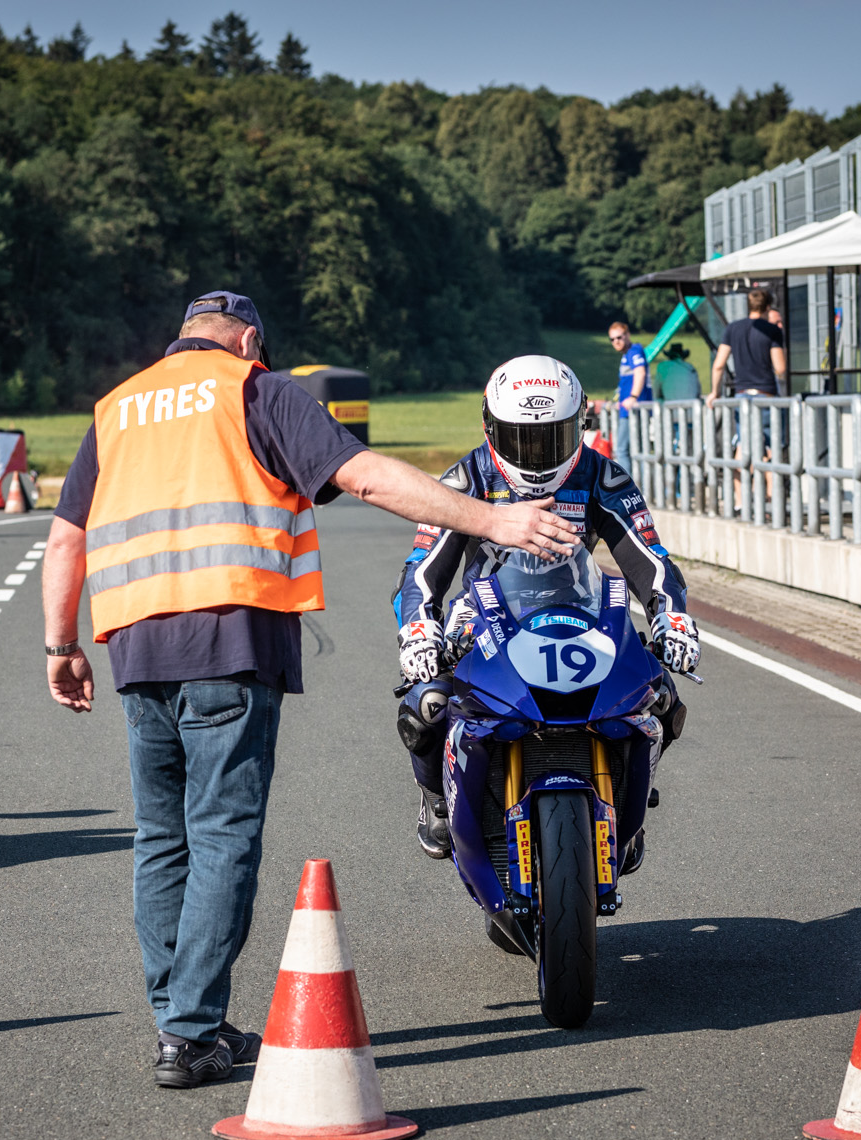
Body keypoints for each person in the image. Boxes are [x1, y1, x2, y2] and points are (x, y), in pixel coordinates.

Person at [39, 290, 578, 1090]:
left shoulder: (117, 408)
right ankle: (189, 1031)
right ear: (248, 340)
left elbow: (65, 539)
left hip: (137, 649)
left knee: (162, 838)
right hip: (230, 639)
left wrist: (61, 646)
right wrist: (494, 521)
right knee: (221, 835)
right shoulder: (255, 389)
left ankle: (179, 1019)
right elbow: (365, 477)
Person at [393, 354, 699, 860]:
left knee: (659, 694)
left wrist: (673, 616)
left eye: (552, 437)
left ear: (580, 424)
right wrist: (420, 628)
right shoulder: (466, 478)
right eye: (521, 439)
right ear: (490, 427)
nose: (536, 454)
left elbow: (649, 557)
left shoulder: (602, 475)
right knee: (427, 702)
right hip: (483, 618)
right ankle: (436, 799)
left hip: (581, 610)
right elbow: (422, 568)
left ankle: (630, 796)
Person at [708, 288, 788, 400]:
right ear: (768, 307)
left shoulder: (732, 328)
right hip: (766, 393)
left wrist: (715, 392)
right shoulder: (773, 330)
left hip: (741, 394)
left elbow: (718, 366)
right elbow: (780, 368)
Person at [608, 321, 652, 419]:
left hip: (635, 411)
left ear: (627, 335)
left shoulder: (634, 351)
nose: (616, 341)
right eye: (612, 339)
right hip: (627, 410)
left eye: (619, 337)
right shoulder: (627, 354)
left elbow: (640, 372)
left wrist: (633, 397)